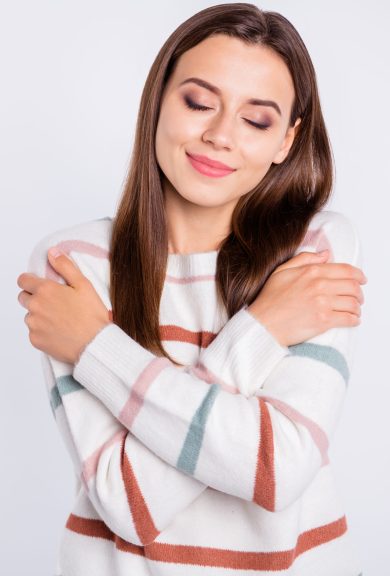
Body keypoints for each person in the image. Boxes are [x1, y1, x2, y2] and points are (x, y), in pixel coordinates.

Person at [16, 3, 367, 575]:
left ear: (286, 139)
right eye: (198, 102)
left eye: (256, 120)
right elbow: (128, 502)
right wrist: (265, 331)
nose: (220, 135)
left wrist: (95, 348)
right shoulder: (73, 265)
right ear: (157, 101)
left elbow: (276, 469)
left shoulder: (316, 250)